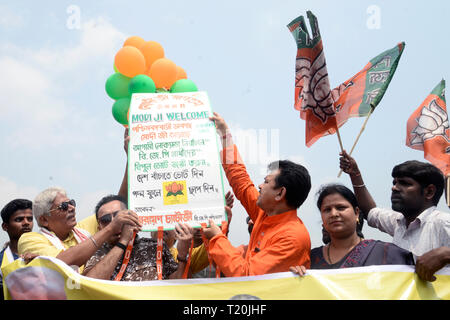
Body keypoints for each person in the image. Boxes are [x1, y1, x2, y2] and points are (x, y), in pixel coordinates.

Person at [202, 112, 311, 276]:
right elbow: (241, 182)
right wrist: (225, 136)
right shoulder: (266, 212)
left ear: (280, 193)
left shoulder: (292, 237)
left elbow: (246, 275)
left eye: (266, 182)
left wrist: (217, 238)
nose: (259, 186)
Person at [340, 150, 450, 281]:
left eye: (405, 183)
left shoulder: (443, 222)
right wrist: (355, 174)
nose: (395, 188)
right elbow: (370, 212)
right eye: (394, 183)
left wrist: (445, 254)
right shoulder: (397, 222)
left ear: (429, 191)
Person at [290, 184, 414, 275]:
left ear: (356, 213)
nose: (334, 214)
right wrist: (296, 276)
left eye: (341, 207)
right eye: (327, 210)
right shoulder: (310, 258)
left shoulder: (387, 253)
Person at [17, 187, 142, 272]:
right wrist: (111, 228)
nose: (71, 208)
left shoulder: (81, 231)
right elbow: (61, 264)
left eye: (71, 202)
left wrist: (130, 158)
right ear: (44, 220)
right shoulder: (30, 239)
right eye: (63, 206)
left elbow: (116, 205)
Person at [83, 195, 194, 280]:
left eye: (119, 216)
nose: (114, 222)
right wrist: (123, 242)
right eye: (106, 220)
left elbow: (175, 284)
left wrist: (182, 256)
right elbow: (90, 283)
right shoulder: (96, 251)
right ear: (99, 228)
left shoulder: (155, 246)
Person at [1, 199, 34, 299]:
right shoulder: (1, 260)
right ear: (5, 226)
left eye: (29, 219)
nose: (26, 223)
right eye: (19, 220)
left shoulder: (44, 253)